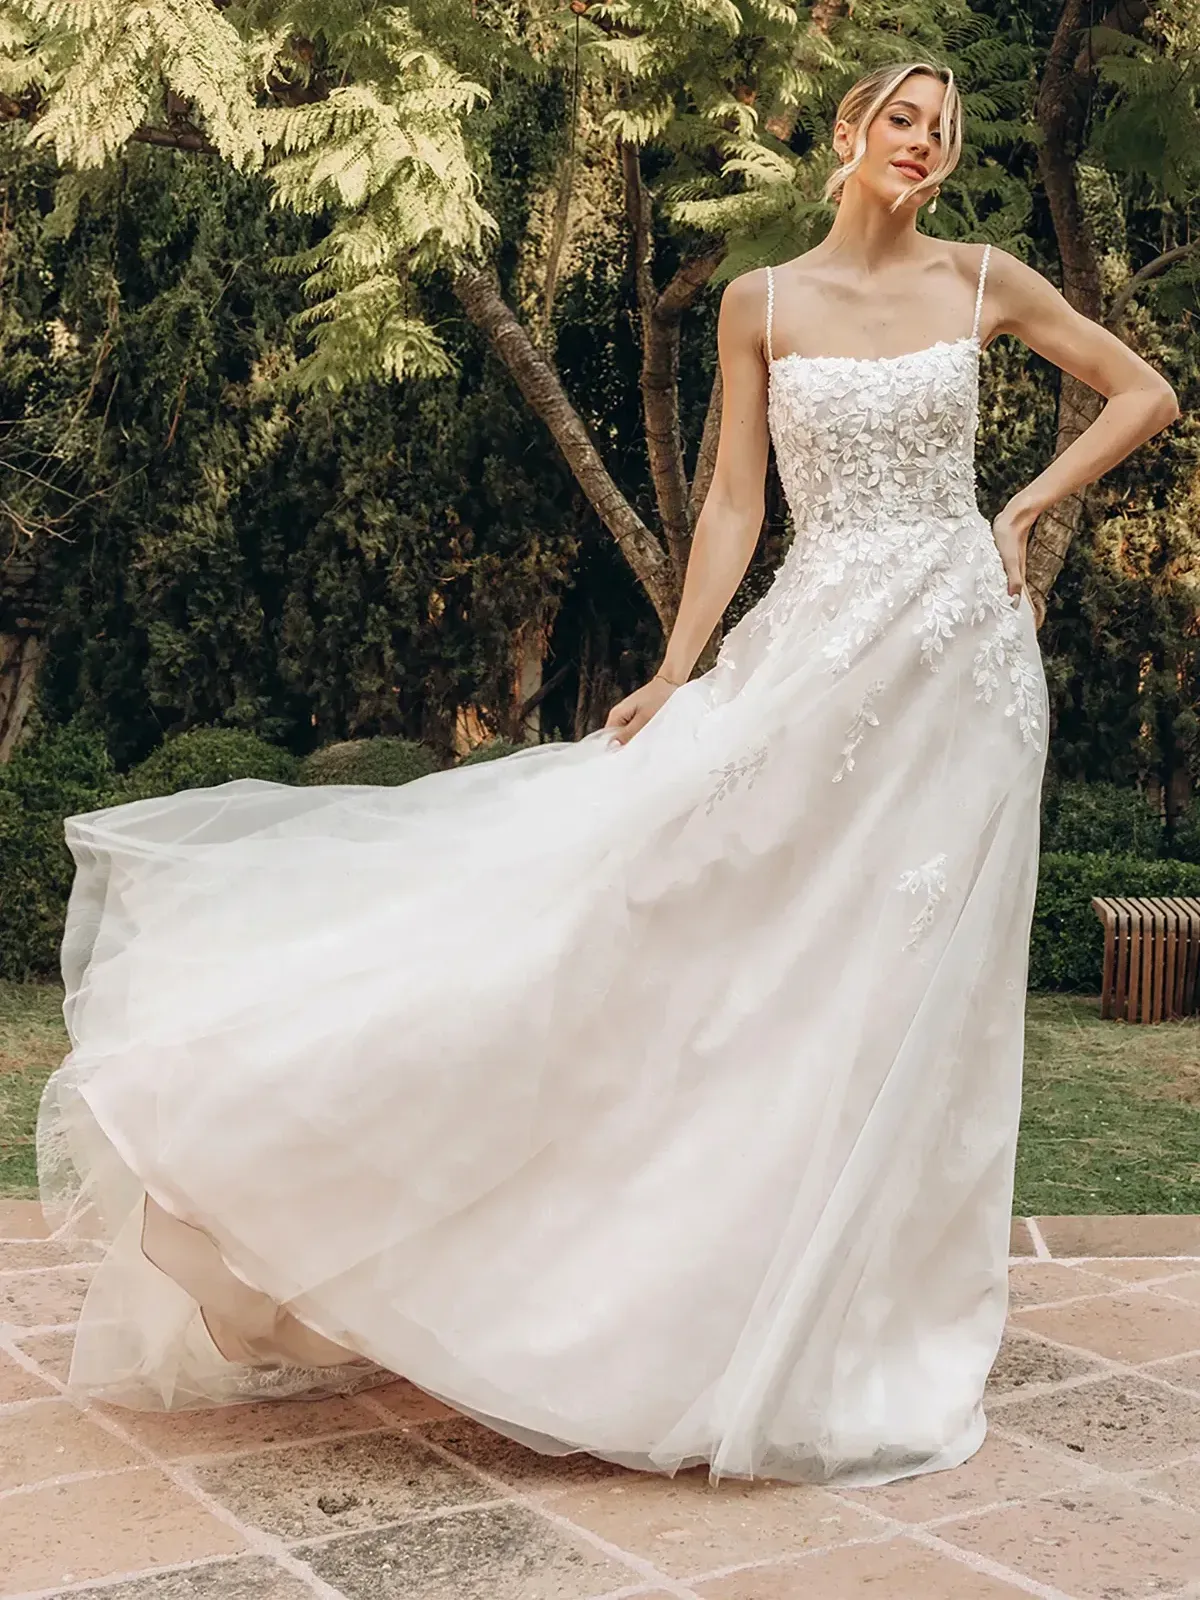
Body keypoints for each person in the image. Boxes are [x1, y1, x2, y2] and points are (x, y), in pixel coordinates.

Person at [38, 60, 1177, 1489]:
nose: (925, 145)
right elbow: (734, 502)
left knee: (910, 996)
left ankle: (867, 1309)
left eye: (943, 131)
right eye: (902, 118)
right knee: (696, 921)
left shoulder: (983, 279)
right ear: (847, 133)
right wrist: (682, 664)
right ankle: (652, 1274)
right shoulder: (760, 303)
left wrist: (1021, 507)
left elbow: (1144, 391)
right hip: (821, 649)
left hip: (960, 677)